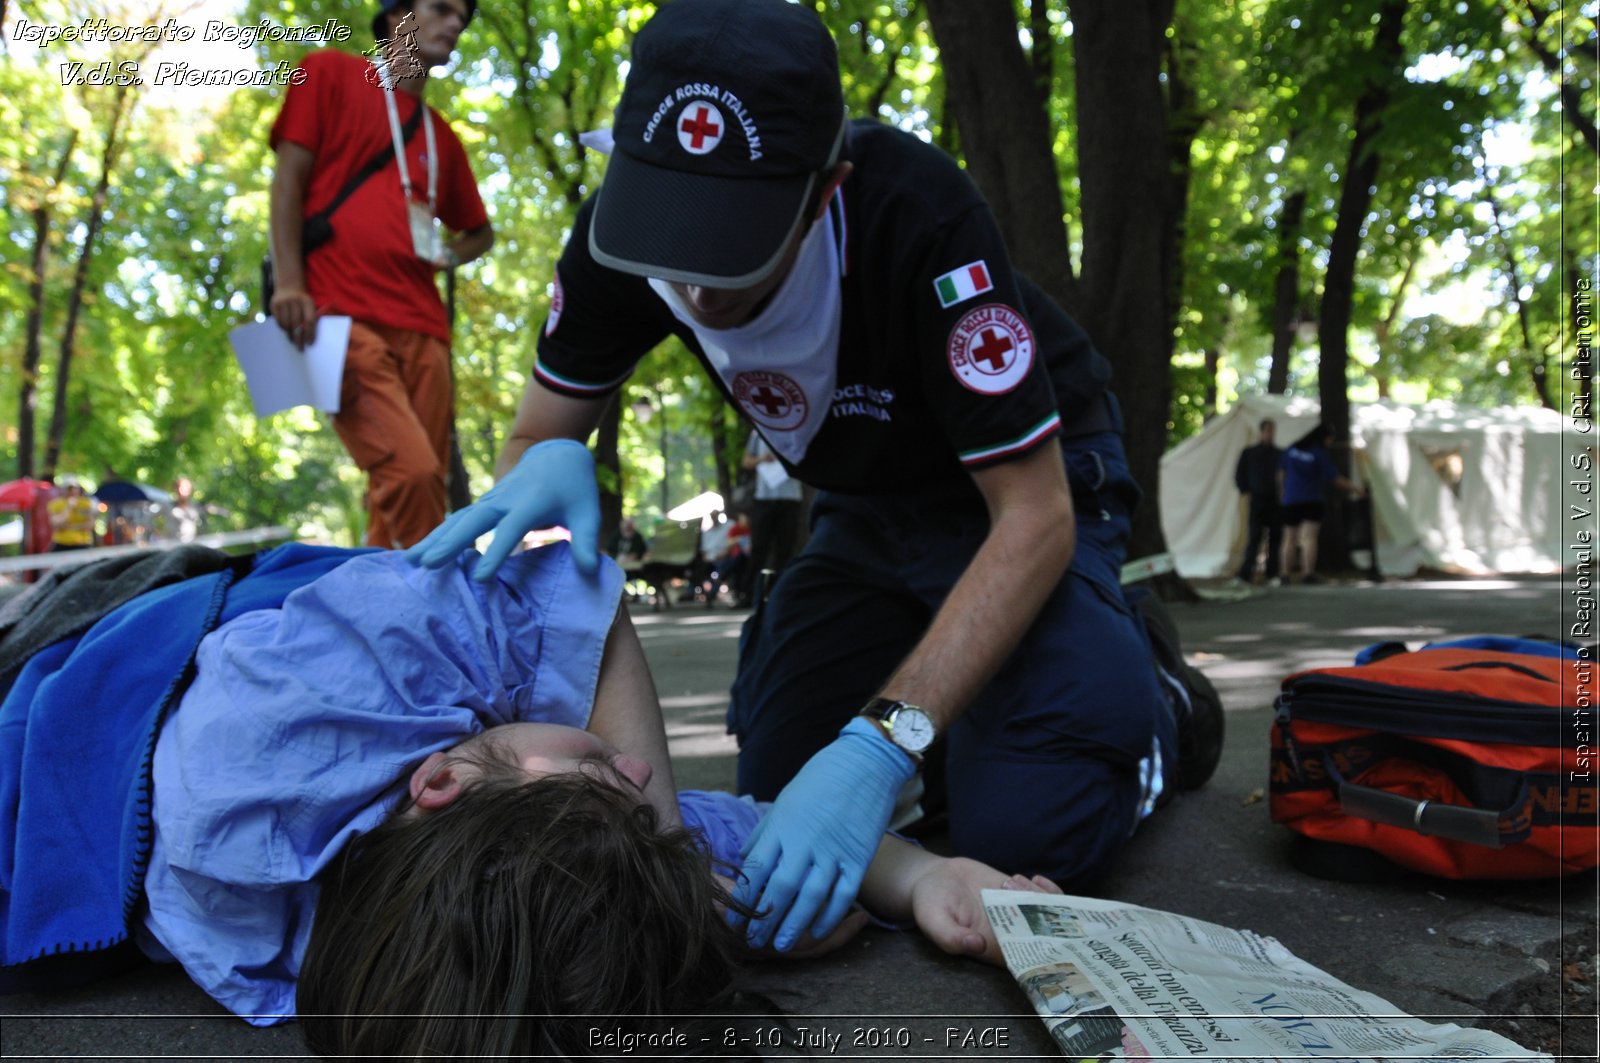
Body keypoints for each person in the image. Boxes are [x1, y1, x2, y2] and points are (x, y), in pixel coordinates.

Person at [408, 0, 1219, 954]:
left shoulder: (919, 215)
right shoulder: (614, 241)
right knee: (785, 809)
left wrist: (882, 747)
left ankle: (1154, 694)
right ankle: (968, 708)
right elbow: (535, 446)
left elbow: (1034, 516)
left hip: (1025, 478)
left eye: (736, 242)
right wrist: (544, 473)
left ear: (825, 186)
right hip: (866, 501)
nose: (699, 288)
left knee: (1037, 829)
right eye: (674, 231)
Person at [0, 541, 1055, 1057]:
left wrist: (677, 850)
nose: (638, 771)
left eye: (604, 774)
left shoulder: (319, 701)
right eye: (613, 783)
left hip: (111, 631)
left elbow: (570, 579)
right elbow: (670, 853)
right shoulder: (403, 946)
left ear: (442, 780)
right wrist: (921, 878)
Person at [267, 0, 494, 550]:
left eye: (462, 19)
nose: (454, 25)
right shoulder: (328, 73)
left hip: (426, 330)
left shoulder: (442, 136)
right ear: (396, 16)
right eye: (440, 9)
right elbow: (287, 182)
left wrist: (443, 256)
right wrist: (289, 284)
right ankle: (431, 605)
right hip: (338, 317)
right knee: (410, 471)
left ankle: (374, 616)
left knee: (411, 487)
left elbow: (479, 233)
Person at [1278, 426, 1363, 584]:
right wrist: (1356, 489)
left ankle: (1285, 574)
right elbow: (1335, 478)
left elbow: (1281, 472)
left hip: (1291, 500)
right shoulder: (1318, 453)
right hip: (1312, 500)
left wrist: (1283, 493)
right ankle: (1307, 573)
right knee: (1309, 537)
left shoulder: (1291, 450)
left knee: (1289, 537)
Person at [741, 431, 804, 602]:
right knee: (759, 546)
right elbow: (746, 461)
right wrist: (762, 459)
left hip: (790, 498)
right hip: (764, 498)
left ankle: (784, 595)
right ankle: (749, 594)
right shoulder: (758, 432)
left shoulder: (796, 429)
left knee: (786, 547)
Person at [1233, 418, 1282, 585]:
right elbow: (1240, 474)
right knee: (1254, 536)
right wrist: (1247, 491)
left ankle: (1272, 573)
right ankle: (1246, 574)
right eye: (1267, 430)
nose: (1269, 434)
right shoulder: (1250, 453)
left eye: (1271, 430)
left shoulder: (1279, 454)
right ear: (1261, 432)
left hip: (1275, 501)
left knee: (1275, 538)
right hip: (1257, 500)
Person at [45, 477, 95, 551]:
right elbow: (56, 523)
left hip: (83, 542)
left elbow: (90, 525)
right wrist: (68, 507)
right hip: (62, 542)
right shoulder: (55, 504)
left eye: (75, 488)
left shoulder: (86, 504)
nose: (72, 491)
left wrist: (69, 527)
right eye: (69, 488)